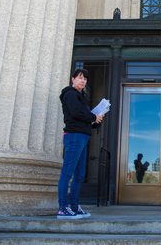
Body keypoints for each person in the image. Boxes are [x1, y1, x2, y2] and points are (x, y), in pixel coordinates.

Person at [57, 68, 104, 220]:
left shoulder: (81, 97)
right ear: (73, 79)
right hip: (74, 136)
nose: (83, 81)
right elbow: (76, 113)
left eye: (85, 79)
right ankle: (63, 208)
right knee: (68, 172)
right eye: (80, 78)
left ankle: (75, 207)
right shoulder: (70, 94)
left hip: (82, 136)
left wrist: (96, 120)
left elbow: (84, 119)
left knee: (79, 175)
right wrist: (92, 116)